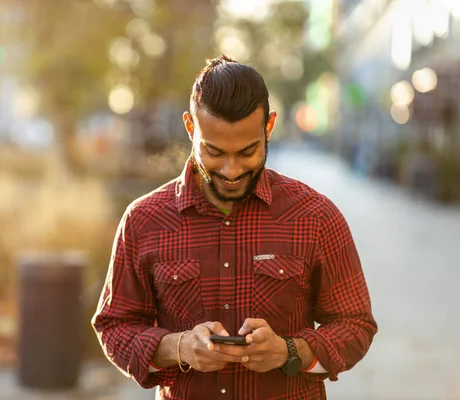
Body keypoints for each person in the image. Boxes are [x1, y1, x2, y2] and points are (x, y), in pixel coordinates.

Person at [92, 55, 377, 400]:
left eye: (247, 152)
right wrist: (177, 347)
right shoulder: (144, 219)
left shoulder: (315, 216)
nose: (230, 170)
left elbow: (356, 325)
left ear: (269, 128)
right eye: (213, 152)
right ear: (190, 128)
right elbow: (114, 327)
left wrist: (289, 352)